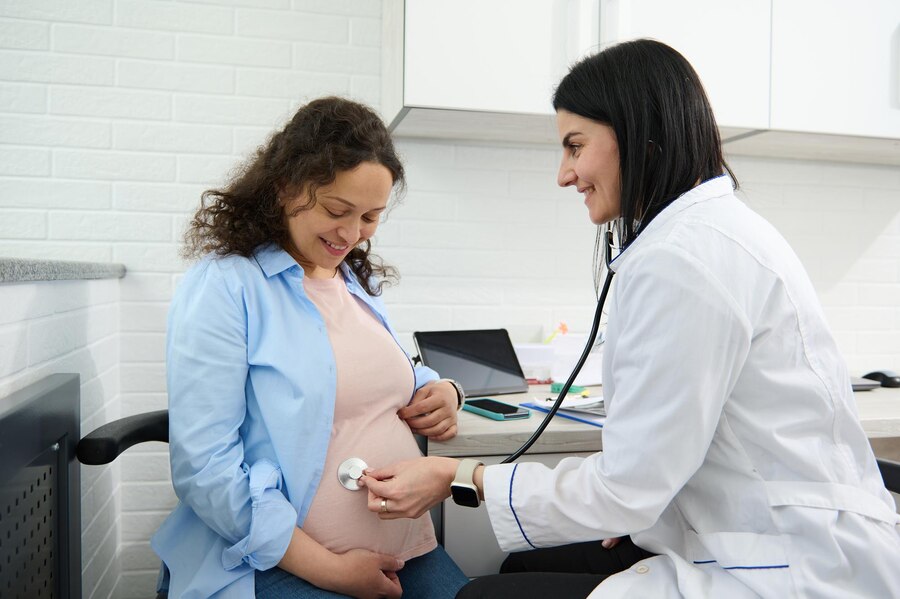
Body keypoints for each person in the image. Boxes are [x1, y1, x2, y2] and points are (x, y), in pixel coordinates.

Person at [359, 40, 900, 598]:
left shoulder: (685, 259)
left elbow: (626, 488)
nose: (564, 175)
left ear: (638, 135)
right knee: (521, 567)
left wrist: (456, 477)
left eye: (575, 147)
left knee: (482, 595)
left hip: (789, 564)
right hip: (761, 529)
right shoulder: (705, 234)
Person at [151, 96, 469, 598]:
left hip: (404, 551)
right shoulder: (228, 285)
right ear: (285, 187)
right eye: (337, 210)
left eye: (370, 216)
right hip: (278, 561)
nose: (352, 234)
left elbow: (374, 373)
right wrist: (331, 570)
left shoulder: (350, 281)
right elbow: (204, 469)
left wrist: (444, 391)